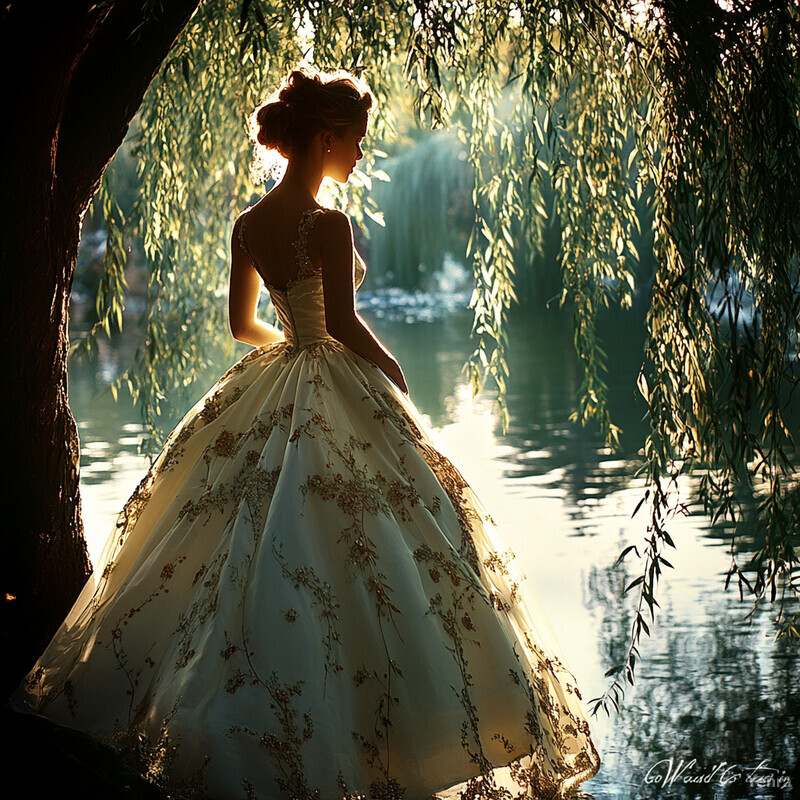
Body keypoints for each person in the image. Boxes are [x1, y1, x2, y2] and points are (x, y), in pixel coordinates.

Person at [10, 67, 602, 800]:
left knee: (243, 535)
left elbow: (239, 327)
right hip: (334, 374)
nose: (359, 155)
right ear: (326, 138)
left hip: (280, 368)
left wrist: (285, 346)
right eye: (355, 142)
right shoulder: (329, 223)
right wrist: (391, 371)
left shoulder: (249, 224)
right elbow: (348, 324)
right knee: (380, 539)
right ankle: (399, 733)